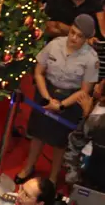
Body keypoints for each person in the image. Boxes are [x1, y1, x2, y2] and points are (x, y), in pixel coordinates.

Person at [17, 14, 99, 184]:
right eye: (72, 32)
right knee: (37, 134)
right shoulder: (55, 44)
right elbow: (39, 72)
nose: (73, 38)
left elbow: (85, 91)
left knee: (60, 142)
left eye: (79, 36)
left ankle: (53, 178)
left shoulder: (91, 59)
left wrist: (61, 105)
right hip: (46, 92)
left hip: (70, 100)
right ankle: (28, 167)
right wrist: (47, 98)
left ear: (86, 39)